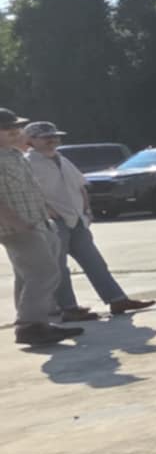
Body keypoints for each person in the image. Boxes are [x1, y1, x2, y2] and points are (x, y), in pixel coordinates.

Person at [22, 121, 152, 316]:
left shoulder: (62, 159)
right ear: (31, 140)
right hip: (54, 222)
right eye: (46, 137)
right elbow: (27, 192)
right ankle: (69, 308)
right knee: (59, 268)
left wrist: (86, 209)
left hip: (77, 220)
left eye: (55, 136)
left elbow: (80, 185)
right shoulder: (27, 163)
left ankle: (117, 300)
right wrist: (46, 211)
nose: (52, 140)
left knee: (95, 263)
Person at [2, 110, 83, 347]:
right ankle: (31, 326)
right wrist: (19, 224)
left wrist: (44, 217)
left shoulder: (15, 155)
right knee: (44, 273)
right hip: (17, 228)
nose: (15, 131)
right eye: (7, 128)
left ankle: (33, 324)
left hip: (37, 222)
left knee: (29, 276)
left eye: (17, 127)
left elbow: (30, 189)